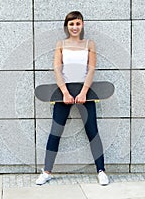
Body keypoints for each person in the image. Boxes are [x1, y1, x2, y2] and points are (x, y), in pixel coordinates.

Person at [36, 11, 109, 186]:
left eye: (77, 23)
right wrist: (65, 92)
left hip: (86, 91)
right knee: (56, 131)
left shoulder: (89, 44)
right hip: (64, 92)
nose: (74, 27)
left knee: (92, 131)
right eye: (71, 24)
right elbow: (57, 69)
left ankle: (101, 171)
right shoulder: (60, 44)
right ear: (66, 26)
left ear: (82, 24)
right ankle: (47, 171)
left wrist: (84, 92)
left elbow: (91, 69)